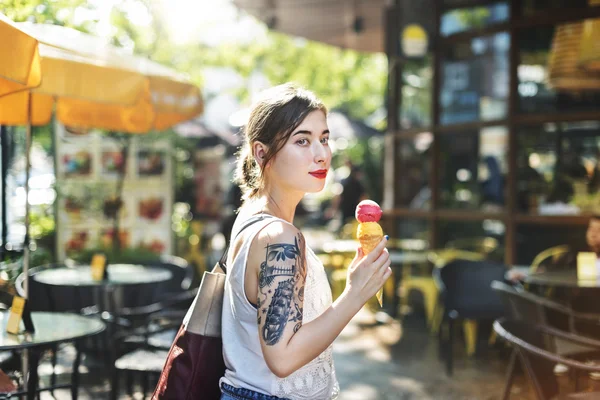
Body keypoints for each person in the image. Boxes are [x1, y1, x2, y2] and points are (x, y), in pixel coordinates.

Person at [220, 83, 391, 400]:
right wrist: (355, 293)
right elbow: (282, 358)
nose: (321, 154)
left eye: (324, 139)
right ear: (261, 152)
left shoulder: (250, 215)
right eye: (302, 141)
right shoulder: (280, 237)